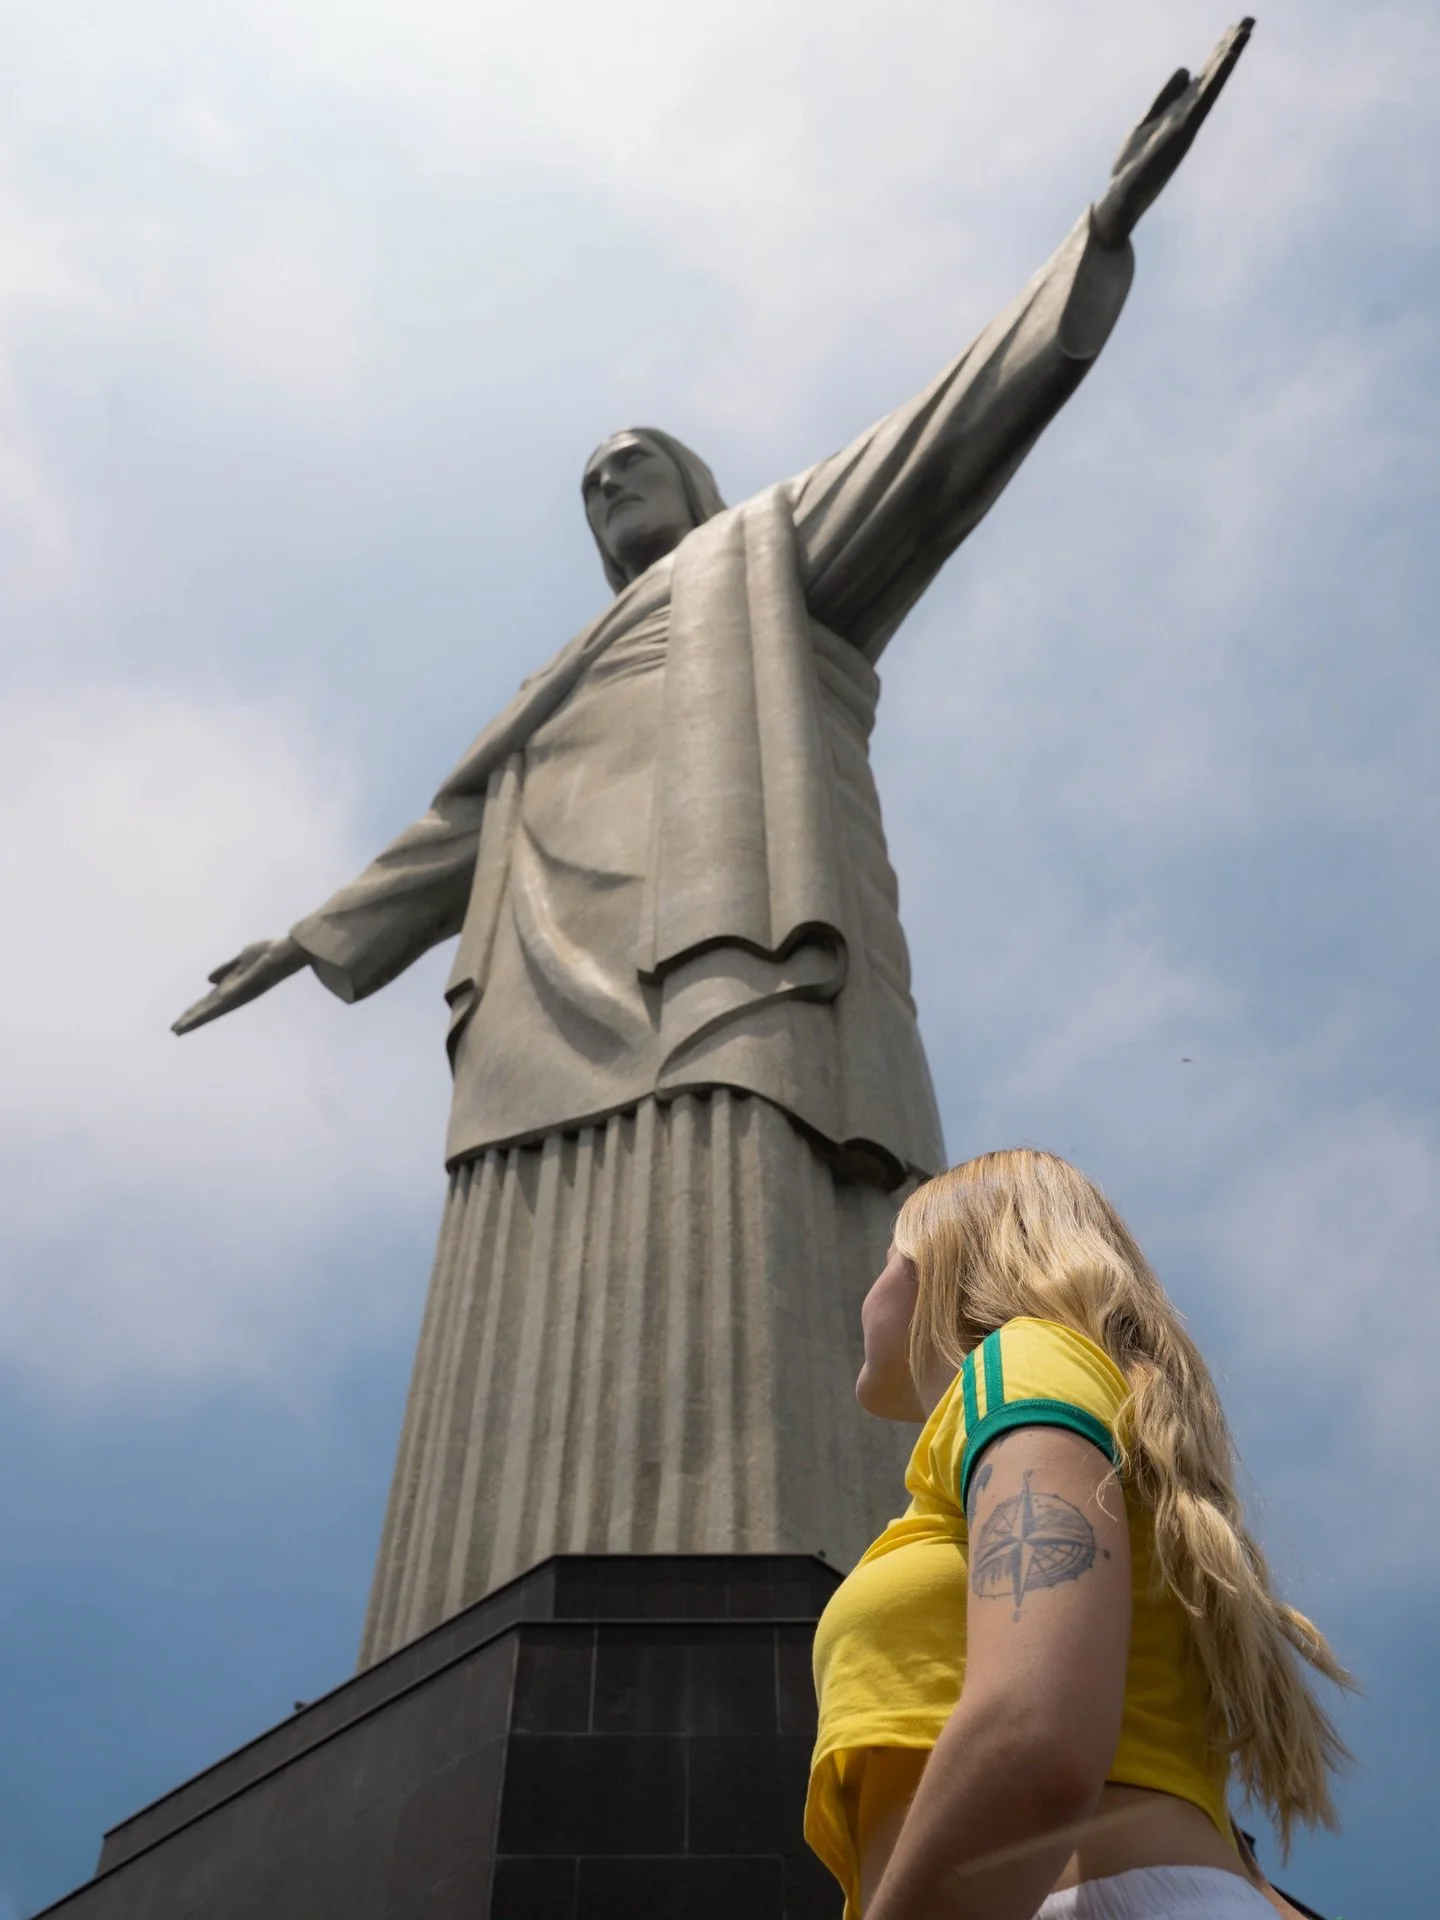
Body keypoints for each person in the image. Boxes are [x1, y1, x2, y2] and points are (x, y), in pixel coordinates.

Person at [172, 24, 1256, 1670]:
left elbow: (944, 436)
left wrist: (1090, 248)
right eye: (589, 480)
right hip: (538, 999)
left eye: (636, 464)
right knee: (518, 1262)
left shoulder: (775, 558)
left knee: (743, 1204)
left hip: (720, 943)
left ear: (693, 487)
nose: (610, 484)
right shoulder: (549, 687)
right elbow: (444, 834)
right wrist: (308, 939)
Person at [806, 1148, 1352, 1920]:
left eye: (885, 1259)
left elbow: (1031, 1739)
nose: (865, 1294)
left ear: (939, 1265)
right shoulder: (1068, 1418)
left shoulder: (1016, 1363)